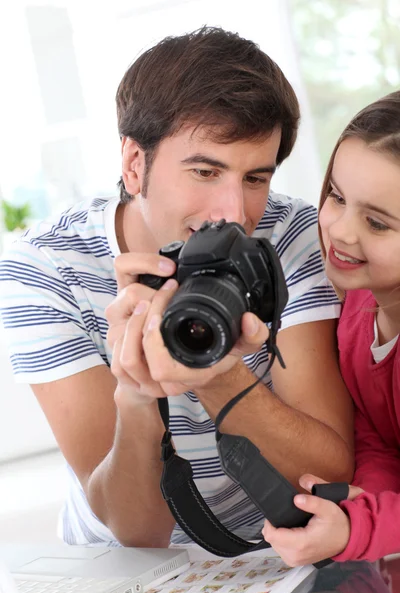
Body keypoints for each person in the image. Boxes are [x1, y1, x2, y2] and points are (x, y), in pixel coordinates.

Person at [0, 27, 353, 548]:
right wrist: (138, 397)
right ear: (134, 164)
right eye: (205, 171)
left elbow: (329, 472)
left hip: (275, 547)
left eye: (255, 178)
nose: (234, 212)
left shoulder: (292, 235)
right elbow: (134, 531)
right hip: (119, 562)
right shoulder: (42, 269)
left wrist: (214, 374)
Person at [262, 90, 400, 564]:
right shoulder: (357, 312)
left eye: (378, 224)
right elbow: (378, 437)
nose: (340, 229)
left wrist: (359, 528)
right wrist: (360, 504)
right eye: (337, 197)